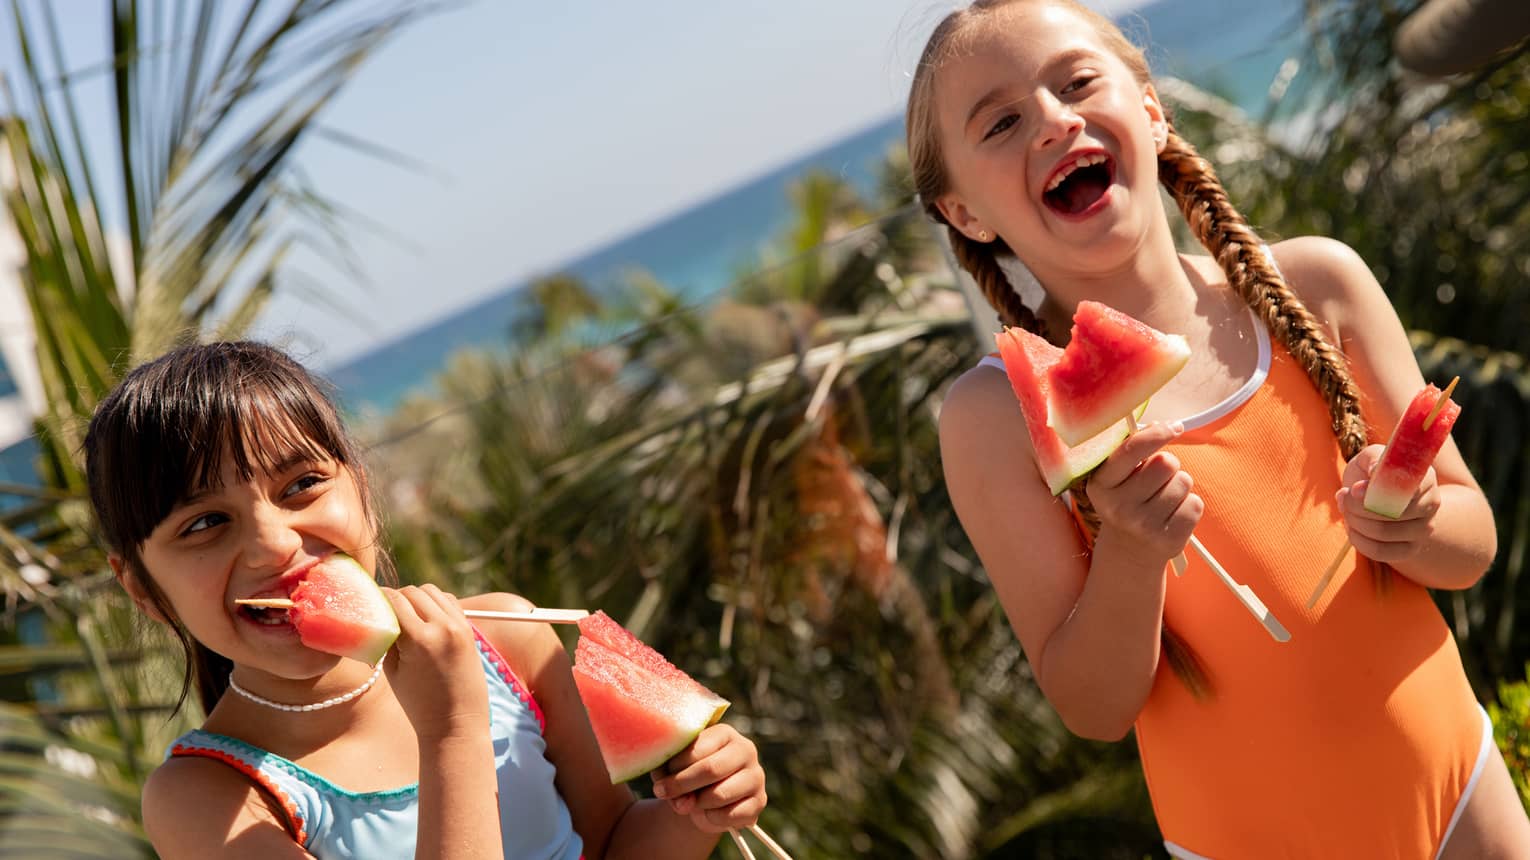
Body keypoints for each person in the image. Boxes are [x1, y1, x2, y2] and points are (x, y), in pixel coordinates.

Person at [908, 1, 1530, 857]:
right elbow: (1094, 708)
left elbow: (1474, 544)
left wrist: (1416, 524)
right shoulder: (993, 418)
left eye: (1078, 81)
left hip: (1466, 797)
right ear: (965, 213)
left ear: (1152, 109)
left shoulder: (1321, 283)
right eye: (1003, 121)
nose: (1053, 120)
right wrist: (1128, 552)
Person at [83, 340, 767, 859]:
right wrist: (453, 732)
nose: (273, 546)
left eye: (301, 486)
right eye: (204, 524)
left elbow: (613, 840)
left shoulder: (511, 641)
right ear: (143, 589)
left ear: (363, 491)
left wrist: (695, 807)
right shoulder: (207, 800)